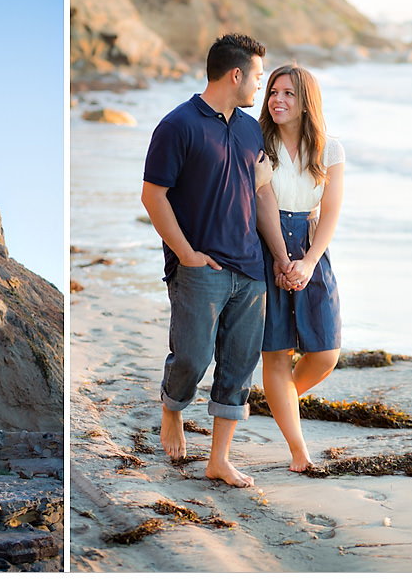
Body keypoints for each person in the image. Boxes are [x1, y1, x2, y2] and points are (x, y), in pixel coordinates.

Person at [141, 33, 286, 488]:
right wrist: (186, 254)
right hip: (199, 268)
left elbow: (262, 195)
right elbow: (152, 196)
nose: (260, 87)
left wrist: (279, 257)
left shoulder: (249, 129)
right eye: (259, 77)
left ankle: (218, 459)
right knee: (192, 356)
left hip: (251, 269)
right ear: (236, 74)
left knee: (239, 366)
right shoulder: (177, 124)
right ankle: (172, 410)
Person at [256, 64, 345, 472]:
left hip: (312, 248)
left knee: (326, 352)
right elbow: (261, 202)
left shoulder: (330, 149)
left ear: (306, 101)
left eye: (289, 93)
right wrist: (278, 255)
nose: (278, 99)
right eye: (273, 91)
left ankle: (279, 399)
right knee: (276, 353)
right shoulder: (257, 142)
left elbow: (330, 212)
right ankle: (298, 452)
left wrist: (308, 263)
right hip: (266, 244)